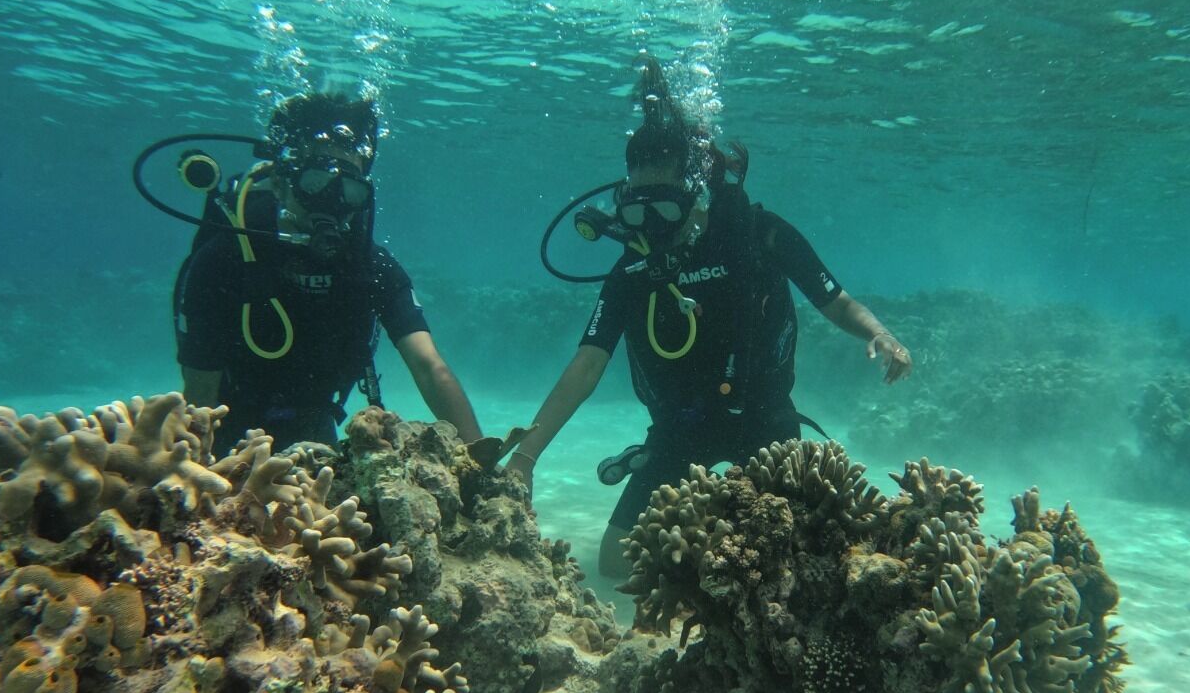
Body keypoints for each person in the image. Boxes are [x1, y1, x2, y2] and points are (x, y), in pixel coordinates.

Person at [508, 63, 911, 578]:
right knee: (615, 567)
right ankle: (710, 568)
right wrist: (525, 457)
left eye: (666, 209)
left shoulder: (759, 234)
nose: (651, 227)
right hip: (679, 430)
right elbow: (587, 365)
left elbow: (835, 301)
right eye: (638, 211)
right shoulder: (633, 269)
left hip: (765, 421)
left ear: (697, 190)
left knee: (799, 561)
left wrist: (879, 332)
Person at [173, 92, 481, 446]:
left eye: (348, 191)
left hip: (316, 426)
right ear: (279, 184)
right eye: (315, 184)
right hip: (230, 429)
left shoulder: (372, 268)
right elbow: (200, 399)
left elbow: (430, 368)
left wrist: (482, 470)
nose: (331, 205)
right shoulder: (223, 261)